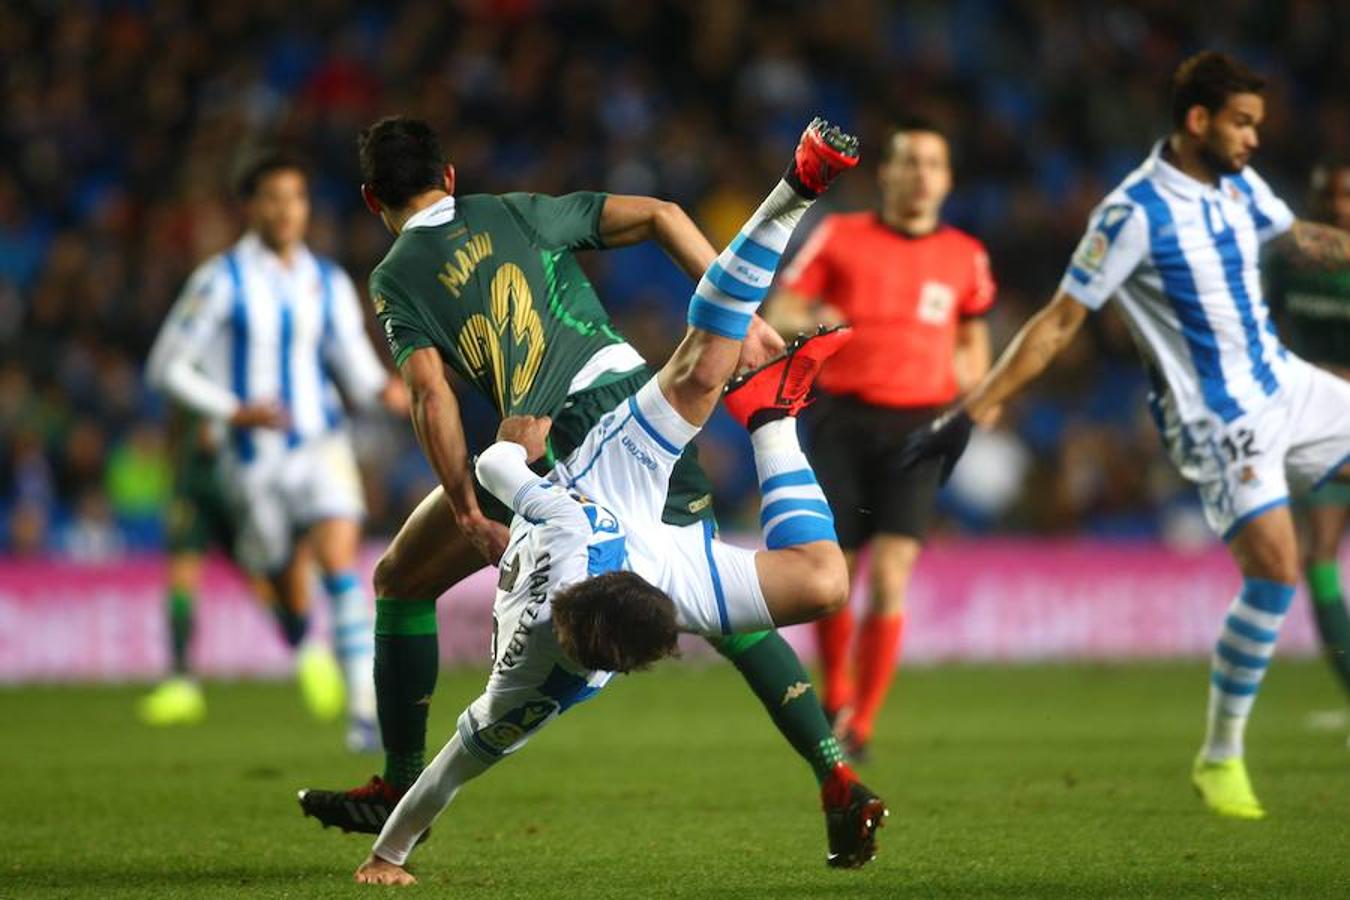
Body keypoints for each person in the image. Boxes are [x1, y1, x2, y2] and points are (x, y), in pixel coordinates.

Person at [297, 116, 881, 857]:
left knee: (401, 582)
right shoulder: (509, 209)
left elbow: (428, 395)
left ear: (370, 198)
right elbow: (662, 214)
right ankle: (835, 776)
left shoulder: (394, 277)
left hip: (531, 444)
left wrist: (470, 507)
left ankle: (401, 783)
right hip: (615, 407)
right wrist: (752, 324)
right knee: (718, 595)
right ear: (449, 178)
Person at [904, 52, 1350, 819]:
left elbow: (1303, 241)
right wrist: (973, 409)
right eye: (1241, 124)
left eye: (1257, 125)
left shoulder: (1240, 184)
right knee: (1277, 571)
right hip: (1221, 419)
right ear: (1198, 121)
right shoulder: (1133, 213)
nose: (1252, 140)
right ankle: (1221, 757)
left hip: (1286, 383)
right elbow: (1060, 322)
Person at [145, 148, 408, 750]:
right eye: (273, 198)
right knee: (290, 598)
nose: (286, 209)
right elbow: (166, 367)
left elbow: (356, 369)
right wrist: (230, 408)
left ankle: (364, 715)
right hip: (250, 463)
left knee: (341, 564)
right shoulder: (218, 281)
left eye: (296, 197)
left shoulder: (326, 280)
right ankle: (305, 641)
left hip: (319, 441)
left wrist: (391, 393)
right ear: (250, 207)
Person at [767, 120, 994, 758]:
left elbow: (972, 335)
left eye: (934, 164)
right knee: (835, 569)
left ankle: (860, 724)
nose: (923, 175)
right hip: (841, 418)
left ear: (947, 181)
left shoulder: (966, 256)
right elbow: (783, 309)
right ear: (887, 174)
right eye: (911, 163)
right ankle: (836, 689)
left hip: (921, 427)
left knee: (892, 575)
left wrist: (978, 388)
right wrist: (813, 318)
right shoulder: (839, 237)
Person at [136, 406, 337, 726]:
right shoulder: (188, 367)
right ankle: (181, 682)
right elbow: (177, 421)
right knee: (181, 575)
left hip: (236, 480)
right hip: (194, 484)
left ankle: (307, 649)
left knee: (259, 578)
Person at [1266, 159, 1350, 699]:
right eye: (1330, 197)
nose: (1339, 207)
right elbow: (1264, 333)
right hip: (1319, 422)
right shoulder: (1285, 266)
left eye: (1348, 197)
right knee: (1318, 555)